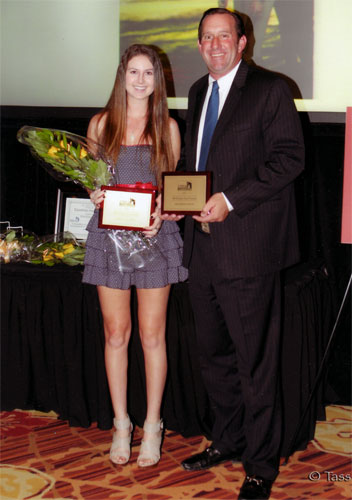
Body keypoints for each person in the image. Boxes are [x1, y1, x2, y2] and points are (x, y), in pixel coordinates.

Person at [161, 8, 304, 500]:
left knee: (255, 363)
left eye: (225, 36)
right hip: (200, 251)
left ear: (243, 42)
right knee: (214, 357)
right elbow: (194, 165)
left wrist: (230, 200)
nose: (215, 45)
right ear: (199, 44)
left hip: (248, 250)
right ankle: (228, 439)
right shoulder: (199, 92)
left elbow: (290, 158)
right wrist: (174, 202)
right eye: (207, 38)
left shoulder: (270, 90)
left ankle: (261, 464)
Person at [82, 44, 188, 468]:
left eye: (148, 73)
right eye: (133, 71)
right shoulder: (101, 123)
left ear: (157, 81)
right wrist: (92, 194)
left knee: (152, 336)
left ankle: (153, 424)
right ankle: (122, 423)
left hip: (154, 240)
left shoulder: (169, 128)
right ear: (121, 74)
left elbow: (172, 191)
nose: (140, 80)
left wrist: (161, 212)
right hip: (108, 240)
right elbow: (92, 182)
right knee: (115, 334)